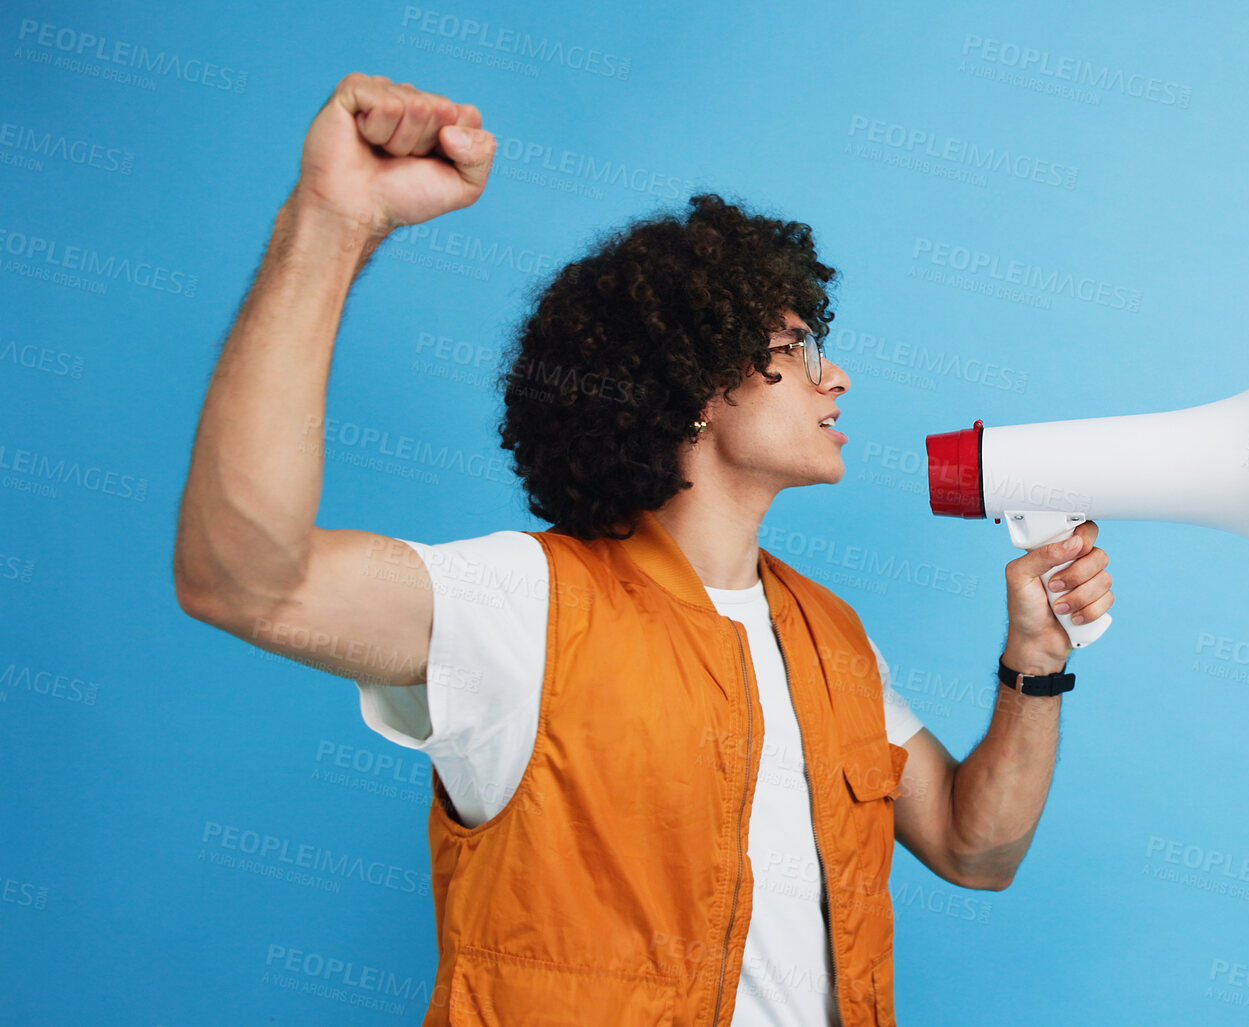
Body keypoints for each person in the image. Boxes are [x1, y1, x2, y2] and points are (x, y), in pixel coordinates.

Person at [171, 73, 1114, 1026]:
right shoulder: (523, 603)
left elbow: (973, 847)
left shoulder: (831, 641)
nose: (838, 377)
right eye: (800, 345)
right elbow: (246, 579)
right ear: (700, 382)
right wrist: (332, 222)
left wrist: (1034, 661)